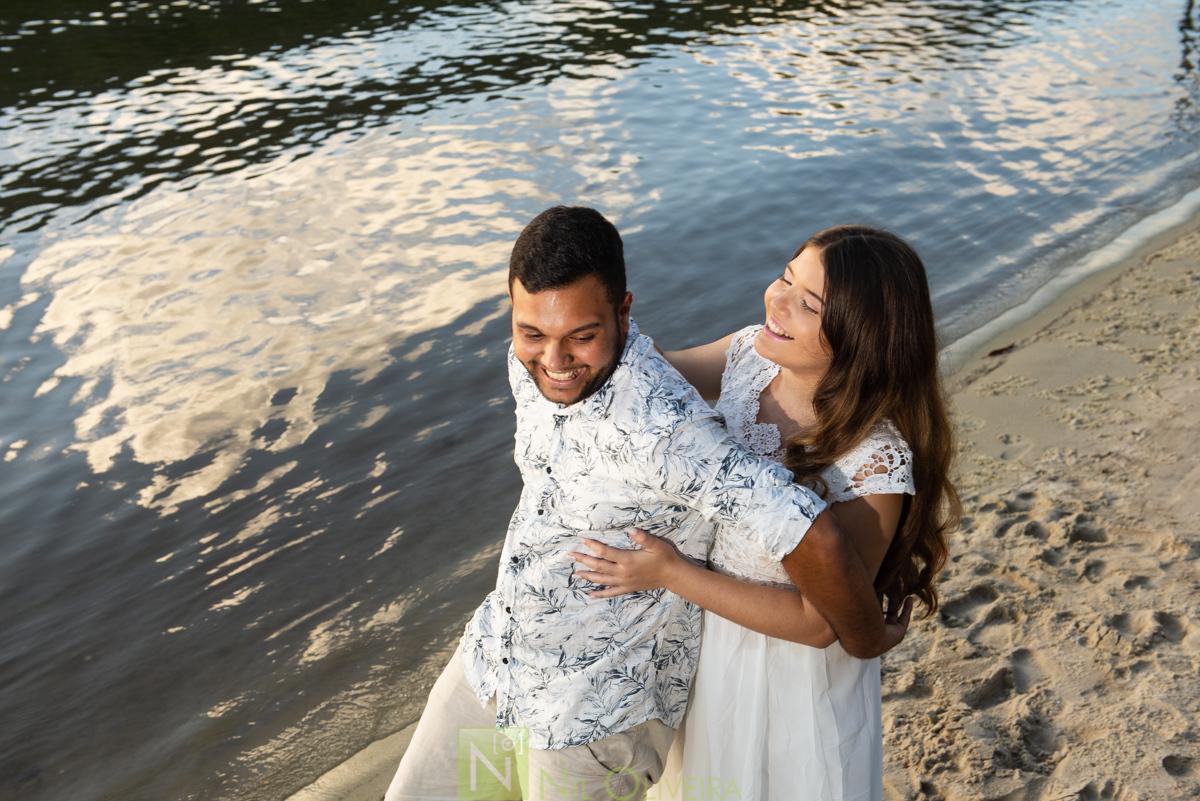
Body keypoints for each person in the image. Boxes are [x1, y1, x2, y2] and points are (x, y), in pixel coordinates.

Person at [383, 209, 911, 801]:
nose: (554, 358)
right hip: (498, 654)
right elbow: (658, 367)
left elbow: (813, 542)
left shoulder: (672, 435)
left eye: (581, 335)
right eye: (532, 333)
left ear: (622, 312)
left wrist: (867, 637)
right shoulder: (723, 357)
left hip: (598, 703)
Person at [573, 225, 960, 801]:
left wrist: (670, 572)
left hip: (785, 675)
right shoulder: (747, 355)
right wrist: (591, 325)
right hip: (699, 645)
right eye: (785, 276)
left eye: (809, 303)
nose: (778, 300)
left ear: (862, 335)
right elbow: (649, 376)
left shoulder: (872, 464)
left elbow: (821, 623)